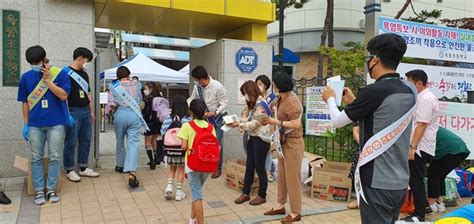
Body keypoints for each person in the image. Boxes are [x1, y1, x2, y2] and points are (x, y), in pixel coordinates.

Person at [321, 33, 416, 224]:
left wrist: (330, 98)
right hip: (400, 181)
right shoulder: (410, 89)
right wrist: (356, 102)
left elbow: (337, 121)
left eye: (368, 58)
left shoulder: (373, 91)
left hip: (376, 182)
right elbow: (383, 115)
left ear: (375, 60)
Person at [17, 45, 71, 205]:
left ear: (43, 60)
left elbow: (63, 96)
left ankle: (51, 189)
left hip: (56, 124)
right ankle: (39, 190)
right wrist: (26, 123)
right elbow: (25, 102)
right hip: (35, 125)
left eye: (36, 62)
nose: (34, 65)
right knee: (36, 158)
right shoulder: (25, 77)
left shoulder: (59, 74)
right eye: (31, 63)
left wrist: (47, 80)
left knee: (54, 157)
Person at [260, 71, 304, 223]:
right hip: (283, 142)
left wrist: (275, 122)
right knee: (282, 176)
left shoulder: (292, 101)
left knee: (293, 179)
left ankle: (295, 212)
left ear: (278, 86)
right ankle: (280, 205)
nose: (273, 87)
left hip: (293, 143)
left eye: (274, 84)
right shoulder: (280, 98)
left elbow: (296, 124)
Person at [402, 69, 440, 222]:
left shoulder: (426, 99)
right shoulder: (422, 97)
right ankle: (423, 207)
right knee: (415, 178)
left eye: (409, 82)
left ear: (419, 83)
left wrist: (412, 147)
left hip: (420, 146)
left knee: (415, 179)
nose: (407, 85)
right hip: (419, 145)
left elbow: (422, 125)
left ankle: (419, 215)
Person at [232, 81, 273, 206]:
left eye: (246, 94)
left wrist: (239, 124)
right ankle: (245, 193)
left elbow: (255, 123)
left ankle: (262, 195)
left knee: (260, 168)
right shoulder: (255, 104)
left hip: (261, 139)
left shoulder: (262, 104)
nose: (245, 97)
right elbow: (249, 119)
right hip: (253, 138)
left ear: (251, 92)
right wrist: (237, 121)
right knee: (249, 167)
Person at [63, 47, 100, 182]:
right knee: (70, 141)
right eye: (86, 60)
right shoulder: (65, 73)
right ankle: (69, 169)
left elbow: (88, 93)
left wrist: (92, 111)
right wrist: (66, 113)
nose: (86, 63)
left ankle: (83, 167)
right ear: (80, 58)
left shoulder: (84, 74)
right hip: (72, 111)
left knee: (86, 139)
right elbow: (62, 96)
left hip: (85, 111)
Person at [177, 99, 216, 224]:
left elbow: (183, 146)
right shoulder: (210, 127)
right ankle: (192, 219)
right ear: (204, 112)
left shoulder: (186, 126)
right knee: (197, 192)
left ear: (190, 112)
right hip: (207, 165)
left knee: (197, 196)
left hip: (193, 165)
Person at [187, 66, 228, 178]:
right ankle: (206, 165)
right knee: (205, 142)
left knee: (217, 143)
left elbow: (224, 103)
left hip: (218, 118)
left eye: (198, 80)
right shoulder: (197, 87)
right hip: (205, 118)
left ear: (202, 78)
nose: (197, 82)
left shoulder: (218, 87)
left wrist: (215, 112)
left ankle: (217, 168)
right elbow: (192, 98)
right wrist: (184, 105)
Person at [108, 66, 144, 188]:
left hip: (120, 114)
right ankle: (131, 172)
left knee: (120, 140)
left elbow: (112, 104)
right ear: (128, 74)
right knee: (133, 143)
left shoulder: (114, 86)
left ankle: (120, 165)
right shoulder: (137, 84)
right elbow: (139, 100)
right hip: (134, 114)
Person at [427, 127, 470, 213]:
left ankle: (431, 204)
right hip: (461, 149)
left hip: (449, 150)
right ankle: (440, 203)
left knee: (433, 174)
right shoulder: (432, 125)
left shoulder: (423, 126)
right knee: (440, 175)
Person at [161, 96, 191, 201]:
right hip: (182, 149)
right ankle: (178, 192)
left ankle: (169, 187)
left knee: (172, 167)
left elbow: (162, 132)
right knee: (181, 169)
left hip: (170, 149)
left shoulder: (168, 118)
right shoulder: (188, 119)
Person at [255, 75, 276, 182]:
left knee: (268, 151)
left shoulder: (272, 98)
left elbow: (276, 113)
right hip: (255, 128)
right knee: (256, 151)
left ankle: (267, 172)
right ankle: (258, 172)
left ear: (266, 86)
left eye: (260, 84)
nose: (258, 86)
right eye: (257, 84)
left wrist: (272, 110)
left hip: (268, 128)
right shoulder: (254, 97)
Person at [141, 82, 163, 170]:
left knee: (147, 142)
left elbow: (146, 112)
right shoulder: (159, 98)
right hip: (158, 123)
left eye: (146, 88)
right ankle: (156, 158)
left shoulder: (148, 99)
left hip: (149, 122)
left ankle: (152, 160)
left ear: (150, 89)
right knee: (154, 141)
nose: (144, 90)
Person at [347, 123, 360, 210]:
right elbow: (355, 131)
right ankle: (359, 200)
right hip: (366, 149)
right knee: (358, 175)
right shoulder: (362, 112)